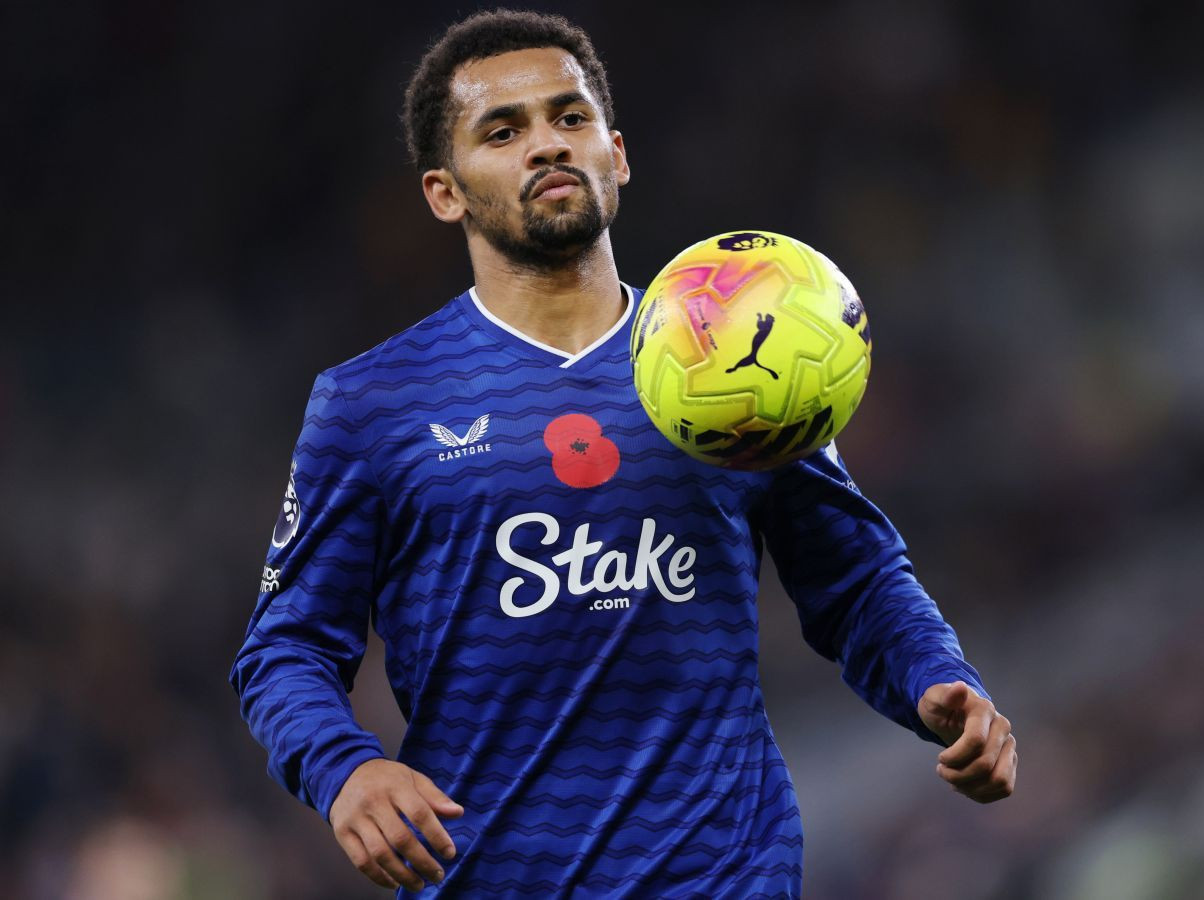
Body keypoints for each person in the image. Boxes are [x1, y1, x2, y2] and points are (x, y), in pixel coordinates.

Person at [230, 8, 1016, 897]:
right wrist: (344, 769)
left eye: (570, 117)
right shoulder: (374, 403)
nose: (547, 144)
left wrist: (934, 679)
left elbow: (857, 578)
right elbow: (284, 649)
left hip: (727, 875)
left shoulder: (733, 362)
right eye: (503, 131)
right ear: (445, 193)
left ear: (617, 153)